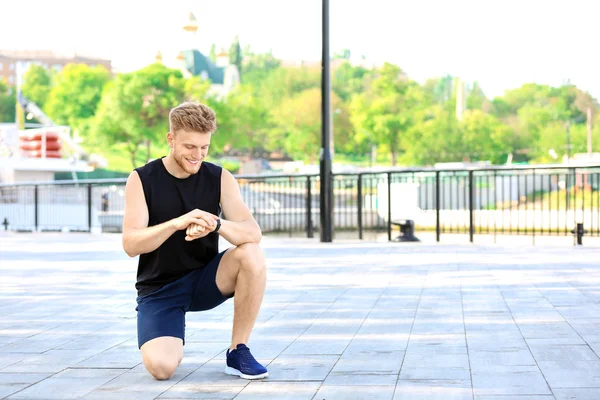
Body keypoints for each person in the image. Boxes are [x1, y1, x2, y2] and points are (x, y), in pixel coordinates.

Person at [121, 101, 268, 381]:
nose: (197, 155)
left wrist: (217, 224)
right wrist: (178, 223)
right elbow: (131, 244)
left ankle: (238, 350)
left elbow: (253, 232)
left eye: (204, 148)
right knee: (162, 369)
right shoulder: (141, 180)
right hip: (160, 289)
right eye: (190, 147)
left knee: (251, 254)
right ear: (171, 138)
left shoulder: (220, 177)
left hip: (205, 280)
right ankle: (167, 330)